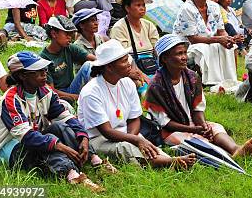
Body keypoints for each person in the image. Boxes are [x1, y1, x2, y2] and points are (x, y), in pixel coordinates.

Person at [0, 51, 108, 191]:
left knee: (59, 127)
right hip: (9, 151)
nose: (44, 73)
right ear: (23, 76)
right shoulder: (10, 99)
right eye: (38, 71)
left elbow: (67, 117)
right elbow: (28, 137)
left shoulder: (46, 92)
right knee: (48, 140)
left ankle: (96, 161)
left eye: (44, 69)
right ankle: (71, 175)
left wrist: (83, 136)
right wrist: (59, 146)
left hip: (34, 141)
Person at [78, 40, 195, 169]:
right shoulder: (91, 92)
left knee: (145, 145)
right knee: (126, 147)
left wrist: (133, 138)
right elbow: (106, 131)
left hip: (125, 133)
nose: (129, 63)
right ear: (109, 67)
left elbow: (134, 118)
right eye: (123, 61)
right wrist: (134, 140)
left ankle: (166, 160)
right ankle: (169, 162)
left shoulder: (127, 83)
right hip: (97, 139)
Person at [145, 34, 252, 158]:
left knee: (215, 128)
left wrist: (202, 125)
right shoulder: (155, 86)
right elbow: (165, 123)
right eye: (179, 54)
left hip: (192, 124)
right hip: (169, 131)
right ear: (164, 58)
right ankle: (229, 157)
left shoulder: (192, 77)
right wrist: (194, 130)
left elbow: (198, 108)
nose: (184, 57)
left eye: (185, 53)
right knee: (193, 139)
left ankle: (236, 149)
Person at [173, 0, 237, 86]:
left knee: (229, 47)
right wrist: (218, 39)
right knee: (205, 48)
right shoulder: (187, 9)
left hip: (209, 41)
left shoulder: (214, 6)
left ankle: (228, 80)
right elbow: (193, 39)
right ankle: (210, 82)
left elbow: (221, 30)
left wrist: (229, 39)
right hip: (187, 45)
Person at [40, 16, 95, 103]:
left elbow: (94, 59)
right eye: (67, 34)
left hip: (72, 88)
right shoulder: (44, 58)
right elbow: (51, 91)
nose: (70, 37)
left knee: (89, 65)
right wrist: (79, 97)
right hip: (59, 96)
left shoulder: (69, 47)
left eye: (71, 34)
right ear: (54, 34)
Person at [110, 0, 159, 78]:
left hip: (152, 67)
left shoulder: (149, 25)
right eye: (138, 5)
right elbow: (123, 57)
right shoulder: (119, 28)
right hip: (131, 71)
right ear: (127, 8)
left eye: (143, 5)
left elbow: (157, 50)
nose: (142, 8)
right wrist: (143, 76)